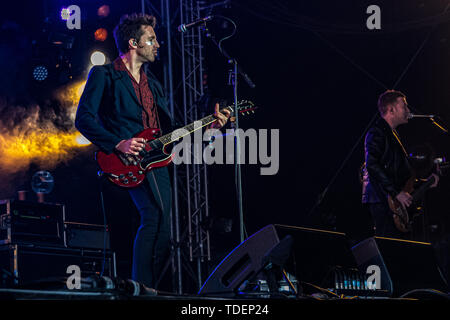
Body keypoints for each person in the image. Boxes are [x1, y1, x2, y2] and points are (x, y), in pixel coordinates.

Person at [75, 13, 230, 288]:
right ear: (134, 43)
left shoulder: (154, 84)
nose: (157, 44)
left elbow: (169, 132)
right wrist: (117, 143)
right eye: (152, 39)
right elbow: (83, 119)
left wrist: (208, 130)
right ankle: (141, 287)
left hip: (156, 160)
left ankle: (145, 287)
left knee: (163, 227)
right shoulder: (104, 74)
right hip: (125, 158)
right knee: (153, 217)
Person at [362, 90, 437, 238]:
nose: (408, 110)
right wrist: (396, 193)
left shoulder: (392, 133)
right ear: (391, 109)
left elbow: (398, 176)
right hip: (382, 200)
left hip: (390, 199)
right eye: (404, 106)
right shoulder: (377, 132)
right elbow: (372, 165)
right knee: (388, 246)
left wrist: (424, 183)